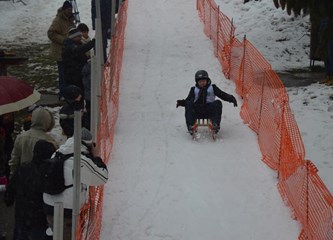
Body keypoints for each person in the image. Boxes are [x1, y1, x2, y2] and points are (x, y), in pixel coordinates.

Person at [43, 128, 108, 240]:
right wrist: (96, 158)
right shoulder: (79, 159)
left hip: (49, 206)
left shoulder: (57, 153)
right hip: (67, 210)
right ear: (87, 145)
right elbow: (102, 177)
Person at [4, 140, 56, 240]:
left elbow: (11, 190)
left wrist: (9, 199)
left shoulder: (23, 168)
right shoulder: (48, 172)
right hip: (40, 218)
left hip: (22, 215)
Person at [176, 70, 238, 135]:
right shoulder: (194, 90)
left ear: (207, 80)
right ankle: (191, 126)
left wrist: (231, 99)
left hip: (209, 111)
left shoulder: (212, 88)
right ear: (197, 82)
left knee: (218, 103)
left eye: (203, 81)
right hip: (197, 111)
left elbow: (222, 94)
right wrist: (181, 103)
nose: (202, 83)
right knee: (189, 104)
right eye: (200, 81)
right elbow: (188, 100)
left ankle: (215, 125)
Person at [8, 106, 59, 175]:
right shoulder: (50, 141)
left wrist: (14, 176)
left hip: (22, 177)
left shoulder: (21, 137)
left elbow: (14, 161)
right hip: (40, 180)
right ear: (48, 122)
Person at [47, 0, 76, 100]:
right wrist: (64, 40)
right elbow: (51, 33)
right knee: (63, 74)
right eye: (68, 9)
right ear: (64, 10)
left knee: (68, 74)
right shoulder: (58, 20)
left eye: (71, 9)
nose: (70, 11)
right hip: (60, 52)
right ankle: (63, 93)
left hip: (68, 52)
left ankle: (68, 92)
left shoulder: (70, 20)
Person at [62, 27, 95, 94]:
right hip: (72, 77)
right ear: (73, 37)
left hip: (78, 75)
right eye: (79, 36)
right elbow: (80, 49)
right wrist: (93, 42)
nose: (80, 38)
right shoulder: (69, 47)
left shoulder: (77, 44)